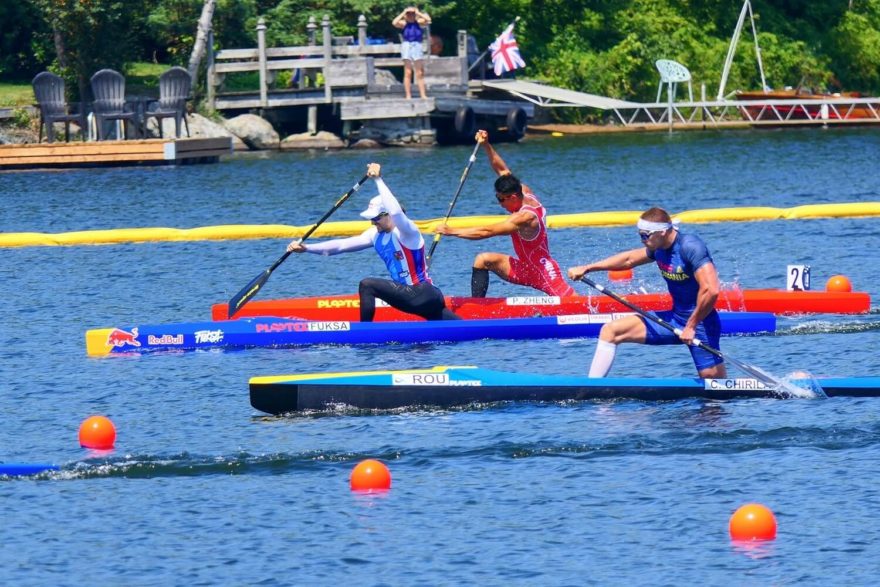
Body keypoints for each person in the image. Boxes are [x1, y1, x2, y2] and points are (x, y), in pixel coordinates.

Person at [567, 207, 727, 379]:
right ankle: (593, 387)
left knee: (713, 386)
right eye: (640, 235)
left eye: (645, 235)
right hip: (674, 319)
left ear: (663, 232)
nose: (642, 240)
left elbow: (711, 289)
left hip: (701, 323)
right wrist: (587, 268)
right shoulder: (657, 247)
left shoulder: (690, 247)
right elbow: (629, 259)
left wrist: (691, 325)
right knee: (610, 331)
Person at [287, 163, 459, 322]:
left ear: (387, 214)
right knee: (458, 329)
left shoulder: (407, 232)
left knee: (367, 285)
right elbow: (340, 246)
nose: (372, 222)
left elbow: (397, 212)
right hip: (417, 300)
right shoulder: (374, 235)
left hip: (424, 293)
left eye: (376, 218)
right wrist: (307, 248)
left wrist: (378, 179)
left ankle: (364, 332)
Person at [435, 130, 575, 298]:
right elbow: (502, 170)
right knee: (483, 260)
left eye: (502, 200)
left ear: (513, 197)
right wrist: (486, 144)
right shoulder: (524, 191)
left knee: (574, 303)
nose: (500, 204)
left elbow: (487, 232)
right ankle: (478, 309)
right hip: (524, 267)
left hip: (543, 270)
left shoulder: (524, 217)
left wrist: (451, 232)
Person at [392, 6, 431, 100]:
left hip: (417, 45)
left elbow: (428, 20)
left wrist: (417, 12)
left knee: (419, 72)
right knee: (408, 72)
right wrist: (404, 12)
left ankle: (423, 95)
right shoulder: (404, 23)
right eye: (409, 14)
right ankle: (408, 95)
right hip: (407, 45)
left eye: (412, 14)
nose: (410, 16)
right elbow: (394, 22)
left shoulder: (419, 22)